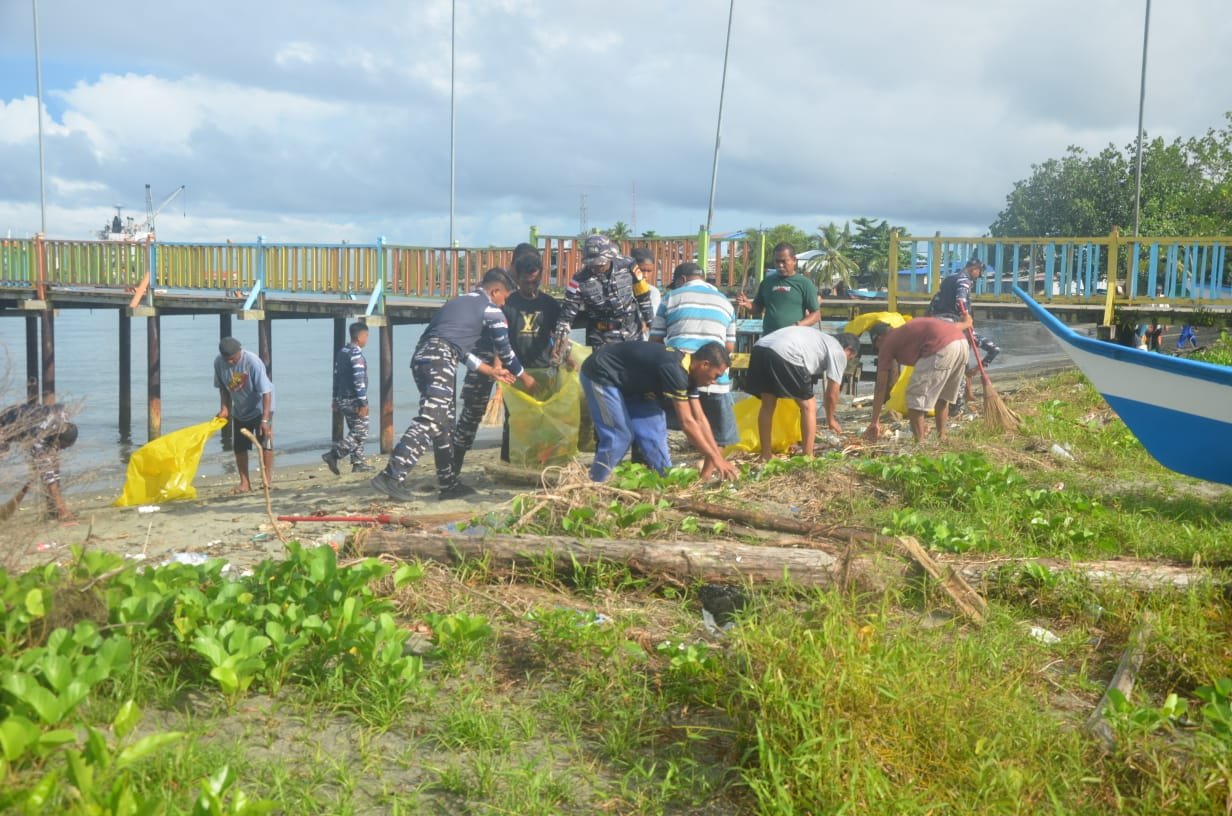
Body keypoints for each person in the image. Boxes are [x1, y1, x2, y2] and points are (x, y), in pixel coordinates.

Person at [372, 268, 535, 502]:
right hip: (440, 359)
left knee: (444, 425)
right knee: (432, 419)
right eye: (505, 297)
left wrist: (490, 370)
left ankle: (448, 484)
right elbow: (506, 353)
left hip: (423, 357)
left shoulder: (459, 301)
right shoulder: (491, 310)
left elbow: (458, 349)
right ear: (495, 291)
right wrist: (526, 378)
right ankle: (391, 475)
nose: (504, 303)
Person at [452, 249, 559, 473]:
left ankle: (534, 465)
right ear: (516, 275)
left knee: (538, 418)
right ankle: (455, 468)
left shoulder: (548, 304)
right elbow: (500, 340)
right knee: (479, 414)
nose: (531, 286)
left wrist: (560, 354)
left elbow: (556, 334)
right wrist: (498, 367)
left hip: (531, 367)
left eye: (535, 280)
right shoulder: (504, 301)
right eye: (526, 281)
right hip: (495, 362)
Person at [579, 340, 739, 482]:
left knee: (655, 435)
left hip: (634, 385)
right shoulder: (674, 369)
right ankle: (595, 483)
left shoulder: (690, 374)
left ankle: (667, 482)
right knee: (620, 436)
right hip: (602, 373)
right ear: (704, 364)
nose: (714, 381)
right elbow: (687, 423)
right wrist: (714, 458)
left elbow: (700, 419)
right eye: (716, 375)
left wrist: (717, 456)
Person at [650, 261, 739, 446]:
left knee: (659, 425)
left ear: (682, 279)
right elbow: (729, 347)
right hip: (715, 379)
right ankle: (711, 462)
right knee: (721, 438)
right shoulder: (725, 302)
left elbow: (655, 341)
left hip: (679, 376)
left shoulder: (670, 297)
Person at [748, 327, 860, 461]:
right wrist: (830, 419)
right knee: (809, 406)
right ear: (849, 350)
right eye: (850, 358)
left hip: (759, 348)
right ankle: (808, 456)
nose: (847, 361)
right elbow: (832, 393)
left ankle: (766, 455)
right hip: (785, 352)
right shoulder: (838, 351)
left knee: (768, 404)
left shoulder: (822, 339)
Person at [863, 314, 973, 443]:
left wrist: (874, 421)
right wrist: (967, 322)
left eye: (877, 346)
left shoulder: (886, 342)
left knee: (914, 400)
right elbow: (952, 327)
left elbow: (880, 386)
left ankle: (920, 443)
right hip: (961, 344)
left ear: (879, 339)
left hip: (940, 347)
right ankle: (942, 437)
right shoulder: (905, 331)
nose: (879, 350)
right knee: (942, 397)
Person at [551, 234, 654, 360]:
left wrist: (652, 327)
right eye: (592, 264)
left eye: (600, 263)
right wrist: (560, 339)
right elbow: (567, 314)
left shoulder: (628, 265)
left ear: (610, 256)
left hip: (633, 334)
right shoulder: (578, 280)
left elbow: (643, 297)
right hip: (601, 339)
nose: (596, 267)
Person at [927, 258, 1000, 405]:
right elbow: (960, 301)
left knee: (957, 361)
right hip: (954, 325)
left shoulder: (949, 279)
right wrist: (965, 320)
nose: (977, 277)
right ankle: (957, 405)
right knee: (989, 351)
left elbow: (934, 301)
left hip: (936, 323)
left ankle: (964, 393)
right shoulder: (964, 280)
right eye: (978, 273)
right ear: (974, 269)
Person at [214, 336, 275, 493]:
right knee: (239, 447)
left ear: (239, 352)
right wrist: (224, 408)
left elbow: (266, 392)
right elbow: (223, 388)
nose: (230, 362)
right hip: (240, 410)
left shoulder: (252, 362)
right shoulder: (219, 363)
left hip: (261, 407)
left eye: (233, 359)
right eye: (227, 359)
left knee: (265, 443)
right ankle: (245, 483)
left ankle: (266, 480)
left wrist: (265, 420)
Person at [0, 402, 78, 521]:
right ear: (57, 437)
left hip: (20, 417)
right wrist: (63, 511)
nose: (61, 449)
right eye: (62, 446)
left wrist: (47, 464)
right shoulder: (38, 438)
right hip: (4, 427)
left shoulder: (62, 415)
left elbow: (59, 406)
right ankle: (62, 512)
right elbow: (50, 480)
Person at [735, 242, 821, 336]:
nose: (780, 265)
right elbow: (757, 309)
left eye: (784, 261)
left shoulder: (805, 283)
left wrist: (798, 325)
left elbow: (816, 315)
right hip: (770, 337)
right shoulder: (766, 282)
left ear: (794, 260)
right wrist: (747, 304)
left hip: (794, 338)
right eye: (777, 261)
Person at [322, 322, 373, 475]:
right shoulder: (356, 355)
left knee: (355, 429)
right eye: (366, 336)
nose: (367, 339)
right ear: (360, 336)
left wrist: (335, 398)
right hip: (353, 399)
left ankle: (358, 463)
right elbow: (359, 380)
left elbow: (336, 376)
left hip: (342, 398)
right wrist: (363, 402)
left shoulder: (342, 352)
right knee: (361, 432)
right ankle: (333, 455)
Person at [630, 247, 662, 339]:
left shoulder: (653, 292)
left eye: (649, 271)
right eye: (642, 270)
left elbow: (652, 320)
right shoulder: (623, 290)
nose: (645, 275)